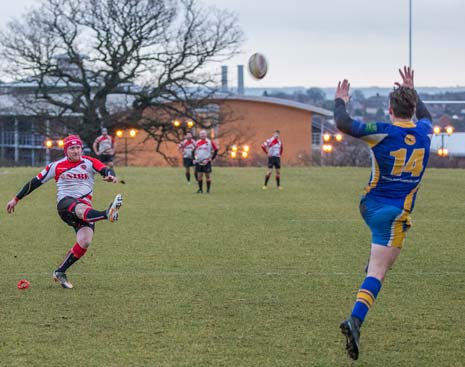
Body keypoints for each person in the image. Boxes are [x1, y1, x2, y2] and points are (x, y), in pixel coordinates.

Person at [334, 66, 433, 360]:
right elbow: (425, 117)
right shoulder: (425, 132)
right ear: (412, 108)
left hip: (368, 204)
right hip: (393, 215)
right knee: (378, 271)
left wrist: (340, 100)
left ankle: (369, 270)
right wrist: (413, 91)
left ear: (389, 109)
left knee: (375, 262)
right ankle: (355, 321)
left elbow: (342, 122)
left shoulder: (381, 132)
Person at [6, 135, 123, 289]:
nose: (76, 151)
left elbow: (105, 169)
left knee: (85, 241)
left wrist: (110, 176)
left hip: (85, 208)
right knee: (80, 209)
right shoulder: (56, 166)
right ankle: (106, 213)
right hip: (65, 204)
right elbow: (34, 182)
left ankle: (60, 272)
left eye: (78, 148)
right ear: (66, 150)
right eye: (72, 148)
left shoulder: (89, 162)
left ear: (81, 148)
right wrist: (16, 198)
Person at [193, 129, 218, 193]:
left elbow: (216, 150)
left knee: (207, 176)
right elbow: (193, 151)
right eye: (201, 134)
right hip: (199, 162)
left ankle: (208, 190)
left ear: (206, 135)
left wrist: (211, 158)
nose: (202, 135)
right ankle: (200, 189)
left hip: (206, 161)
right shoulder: (197, 142)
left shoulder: (209, 142)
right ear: (199, 135)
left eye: (203, 134)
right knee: (199, 176)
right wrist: (195, 158)